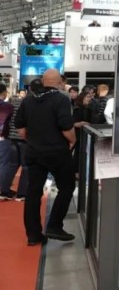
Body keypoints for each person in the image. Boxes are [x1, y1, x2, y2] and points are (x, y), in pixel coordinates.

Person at [16, 69, 77, 245]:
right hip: (57, 152)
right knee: (67, 186)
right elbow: (66, 126)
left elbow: (20, 126)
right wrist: (72, 141)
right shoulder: (61, 99)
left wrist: (32, 139)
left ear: (43, 81)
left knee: (33, 193)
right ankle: (54, 226)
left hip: (34, 152)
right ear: (59, 83)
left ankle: (33, 235)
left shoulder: (28, 99)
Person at [0, 83, 17, 199]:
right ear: (4, 92)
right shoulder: (9, 107)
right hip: (2, 138)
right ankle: (3, 190)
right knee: (3, 164)